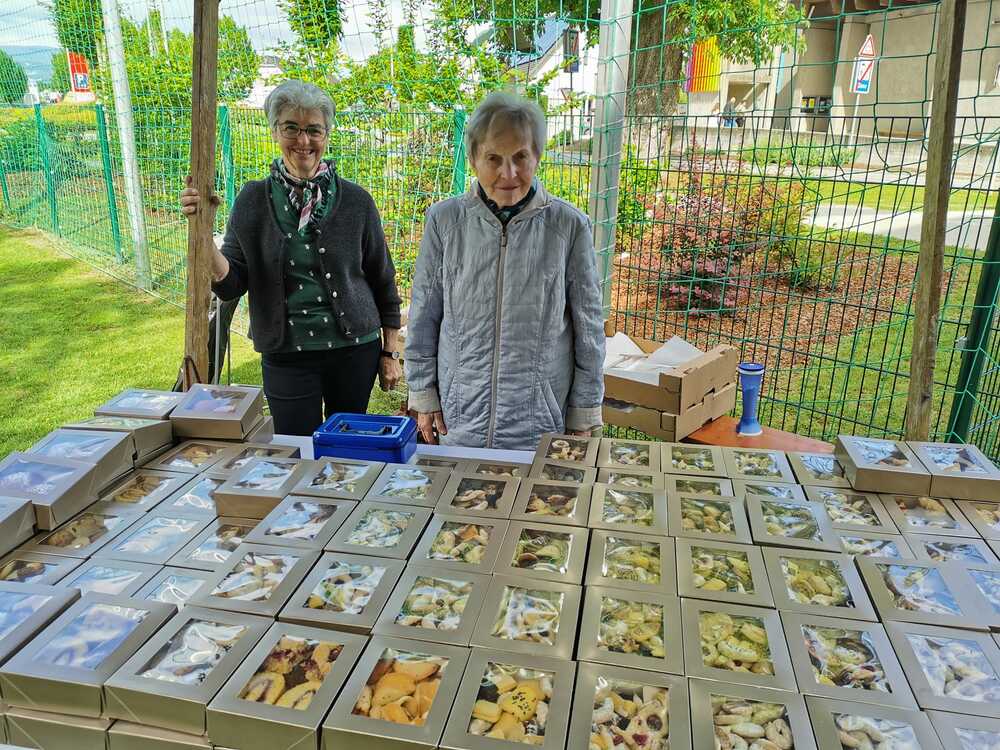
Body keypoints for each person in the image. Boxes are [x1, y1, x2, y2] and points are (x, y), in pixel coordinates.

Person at [180, 80, 403, 436]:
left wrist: (390, 353)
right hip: (286, 352)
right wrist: (202, 234)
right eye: (291, 128)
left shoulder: (356, 201)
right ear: (275, 132)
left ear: (327, 134)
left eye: (314, 129)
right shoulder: (253, 200)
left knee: (345, 449)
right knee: (295, 449)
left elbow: (383, 279)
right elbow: (231, 283)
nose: (303, 141)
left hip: (354, 351)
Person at [405, 91, 605, 449]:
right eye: (493, 158)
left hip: (539, 424)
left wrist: (584, 412)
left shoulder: (568, 226)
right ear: (473, 159)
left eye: (520, 157)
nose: (508, 173)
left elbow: (588, 328)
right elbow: (424, 314)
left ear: (537, 156)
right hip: (459, 417)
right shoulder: (445, 221)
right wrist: (422, 393)